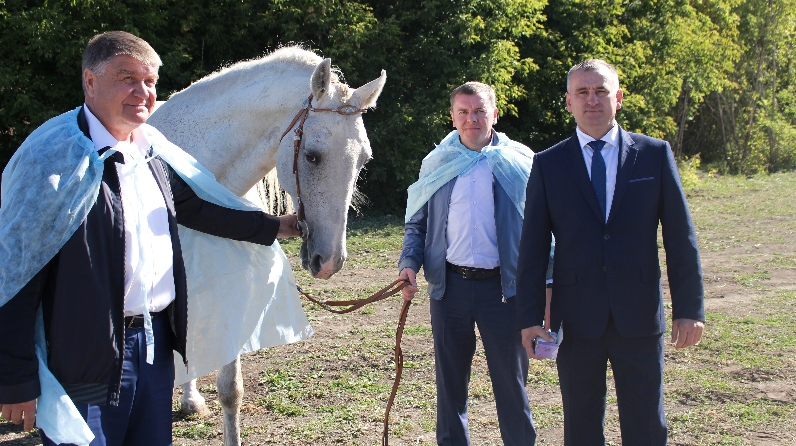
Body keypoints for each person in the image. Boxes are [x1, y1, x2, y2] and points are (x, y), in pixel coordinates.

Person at [0, 31, 301, 445]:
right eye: (127, 78)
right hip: (84, 355)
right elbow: (16, 271)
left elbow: (196, 207)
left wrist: (274, 227)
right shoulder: (53, 158)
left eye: (150, 81)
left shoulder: (151, 152)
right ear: (90, 81)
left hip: (154, 348)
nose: (142, 92)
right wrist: (14, 375)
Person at [516, 59, 705, 444]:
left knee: (646, 424)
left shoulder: (654, 154)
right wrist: (531, 317)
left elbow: (680, 237)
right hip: (576, 317)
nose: (592, 100)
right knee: (581, 426)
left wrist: (689, 309)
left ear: (617, 98)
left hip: (639, 314)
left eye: (600, 91)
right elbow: (532, 248)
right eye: (582, 92)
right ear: (568, 102)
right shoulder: (548, 164)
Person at [399, 81, 552, 445]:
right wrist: (409, 263)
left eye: (480, 110)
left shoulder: (521, 162)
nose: (472, 119)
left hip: (505, 293)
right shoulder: (438, 163)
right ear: (453, 118)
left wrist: (547, 287)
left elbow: (544, 231)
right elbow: (417, 224)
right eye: (464, 112)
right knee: (450, 387)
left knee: (512, 386)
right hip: (449, 291)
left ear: (494, 114)